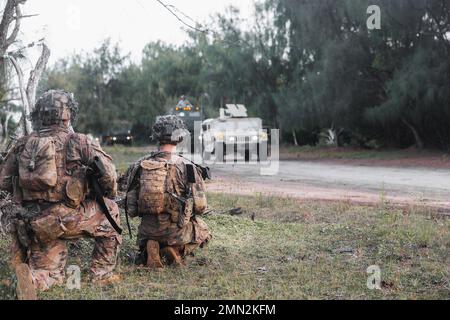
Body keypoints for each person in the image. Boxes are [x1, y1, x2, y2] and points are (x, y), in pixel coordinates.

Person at [0, 90, 122, 299]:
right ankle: (101, 274)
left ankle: (30, 278)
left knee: (49, 274)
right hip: (65, 220)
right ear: (68, 115)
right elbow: (109, 177)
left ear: (39, 115)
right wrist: (102, 191)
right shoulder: (79, 141)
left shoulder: (22, 144)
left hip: (30, 223)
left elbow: (3, 182)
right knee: (111, 210)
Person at [123, 115, 211, 270]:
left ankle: (150, 248)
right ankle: (176, 250)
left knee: (151, 235)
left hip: (146, 231)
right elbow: (201, 206)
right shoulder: (187, 166)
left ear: (156, 136)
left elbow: (130, 208)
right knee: (204, 231)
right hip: (175, 231)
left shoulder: (139, 165)